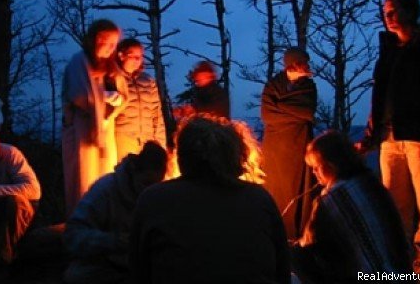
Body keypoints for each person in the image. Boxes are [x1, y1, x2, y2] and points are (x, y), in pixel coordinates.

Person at [356, 0, 420, 273]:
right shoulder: (389, 50)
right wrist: (371, 135)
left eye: (394, 10)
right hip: (391, 137)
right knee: (394, 206)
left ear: (410, 12)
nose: (388, 16)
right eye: (385, 11)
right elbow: (381, 97)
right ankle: (398, 260)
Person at [130, 116, 290, 284]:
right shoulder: (260, 199)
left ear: (182, 157)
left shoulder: (153, 199)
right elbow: (283, 270)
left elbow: (138, 269)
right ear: (236, 157)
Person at [292, 130, 411, 283]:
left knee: (295, 256)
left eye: (316, 166)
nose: (314, 171)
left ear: (332, 164)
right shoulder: (373, 184)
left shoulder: (331, 199)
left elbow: (310, 244)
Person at [63, 140, 167, 284]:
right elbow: (72, 234)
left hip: (138, 266)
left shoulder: (158, 196)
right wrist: (113, 241)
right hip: (104, 263)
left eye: (155, 185)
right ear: (134, 172)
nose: (148, 191)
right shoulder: (105, 190)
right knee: (76, 276)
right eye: (146, 183)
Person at [62, 19, 127, 217]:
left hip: (106, 132)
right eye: (105, 42)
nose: (109, 48)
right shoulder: (79, 63)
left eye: (113, 44)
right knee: (84, 179)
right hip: (83, 132)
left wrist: (117, 99)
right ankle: (81, 224)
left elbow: (123, 93)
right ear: (94, 40)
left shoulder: (112, 68)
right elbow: (79, 95)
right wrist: (102, 98)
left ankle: (103, 221)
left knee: (105, 178)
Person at [261, 47, 317, 240]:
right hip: (276, 148)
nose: (308, 65)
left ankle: (296, 234)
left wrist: (280, 106)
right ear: (294, 63)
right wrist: (293, 111)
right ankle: (278, 232)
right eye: (304, 61)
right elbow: (267, 115)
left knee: (297, 189)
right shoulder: (274, 84)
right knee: (277, 190)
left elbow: (307, 112)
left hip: (298, 144)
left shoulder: (308, 86)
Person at [0, 120, 41, 272]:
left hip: (20, 213)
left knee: (12, 201)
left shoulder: (10, 154)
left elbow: (34, 189)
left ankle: (3, 263)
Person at [115, 38, 166, 163]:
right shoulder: (113, 79)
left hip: (147, 142)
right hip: (122, 143)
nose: (138, 60)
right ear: (121, 55)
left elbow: (157, 115)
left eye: (140, 56)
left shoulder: (148, 81)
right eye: (133, 56)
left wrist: (161, 144)